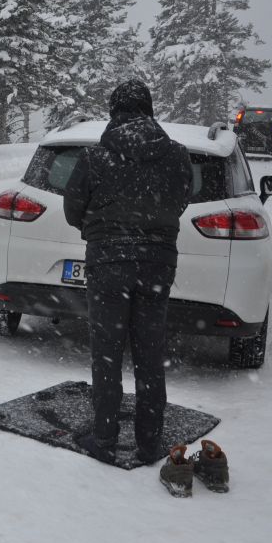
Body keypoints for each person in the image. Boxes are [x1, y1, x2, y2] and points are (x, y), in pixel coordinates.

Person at [63, 79, 193, 464]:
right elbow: (180, 202)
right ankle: (150, 443)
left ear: (114, 112)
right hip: (157, 265)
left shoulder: (94, 158)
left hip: (107, 264)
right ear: (149, 110)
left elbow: (73, 211)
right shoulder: (177, 155)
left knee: (107, 354)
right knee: (151, 355)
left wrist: (102, 229)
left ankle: (104, 439)